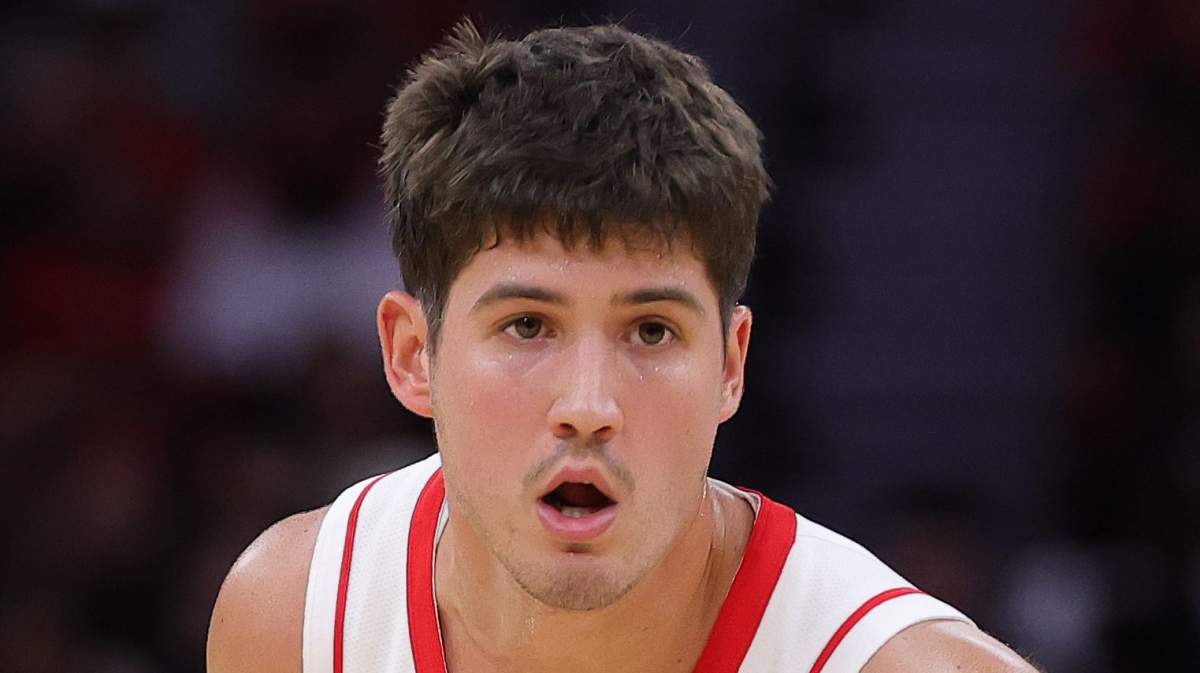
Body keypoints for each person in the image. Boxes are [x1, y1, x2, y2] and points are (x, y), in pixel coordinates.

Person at [207, 20, 1040, 673]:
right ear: (411, 354)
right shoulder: (293, 621)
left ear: (730, 364)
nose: (588, 406)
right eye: (527, 325)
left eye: (651, 330)